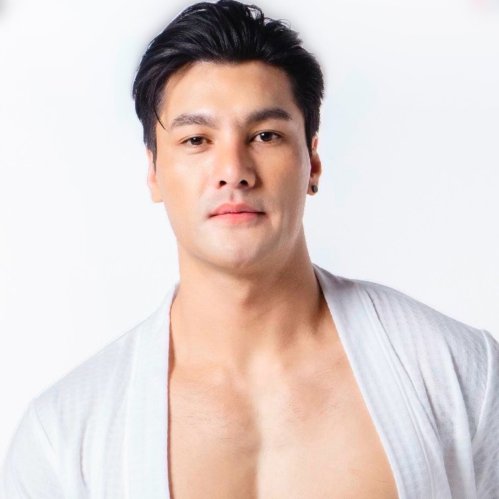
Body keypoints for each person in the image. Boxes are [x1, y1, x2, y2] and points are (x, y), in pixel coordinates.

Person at [1, 0, 498, 497]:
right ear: (153, 171)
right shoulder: (63, 439)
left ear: (313, 162)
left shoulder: (461, 374)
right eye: (196, 140)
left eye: (265, 135)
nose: (233, 170)